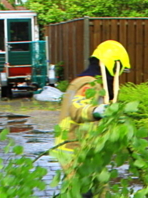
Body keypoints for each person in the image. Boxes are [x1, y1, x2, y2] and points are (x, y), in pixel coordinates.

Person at [53, 40, 130, 172]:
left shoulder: (85, 81)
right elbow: (76, 108)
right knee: (85, 191)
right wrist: (96, 111)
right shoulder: (89, 83)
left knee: (97, 189)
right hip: (75, 148)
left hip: (78, 146)